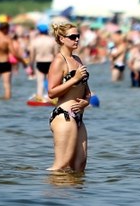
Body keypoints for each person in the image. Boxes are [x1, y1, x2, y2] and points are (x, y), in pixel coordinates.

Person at [46, 22, 92, 172]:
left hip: (79, 116)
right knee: (61, 166)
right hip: (64, 116)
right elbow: (51, 92)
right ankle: (50, 194)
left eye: (78, 36)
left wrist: (86, 101)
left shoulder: (78, 59)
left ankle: (74, 195)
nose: (77, 39)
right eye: (73, 37)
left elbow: (87, 90)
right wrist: (74, 79)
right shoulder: (59, 61)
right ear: (61, 38)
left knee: (80, 165)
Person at [0, 22, 28, 100]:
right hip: (5, 63)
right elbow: (14, 53)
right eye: (8, 29)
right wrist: (23, 61)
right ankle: (7, 102)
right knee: (7, 85)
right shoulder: (7, 39)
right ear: (5, 29)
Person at [29, 24, 57, 101]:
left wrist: (31, 66)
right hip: (50, 62)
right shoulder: (52, 40)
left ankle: (39, 98)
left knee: (40, 83)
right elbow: (56, 54)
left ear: (39, 31)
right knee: (50, 83)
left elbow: (32, 55)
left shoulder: (34, 41)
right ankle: (50, 98)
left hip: (39, 62)